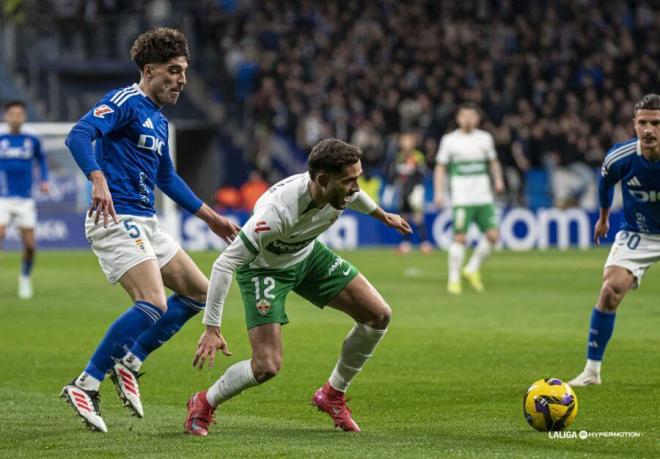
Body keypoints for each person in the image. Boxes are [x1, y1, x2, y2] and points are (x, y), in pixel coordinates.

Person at [59, 27, 240, 433]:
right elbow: (79, 134)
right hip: (116, 217)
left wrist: (210, 217)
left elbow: (168, 178)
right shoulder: (125, 101)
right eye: (173, 71)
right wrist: (97, 178)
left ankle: (131, 361)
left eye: (185, 73)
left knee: (199, 292)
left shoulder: (158, 121)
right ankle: (85, 384)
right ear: (149, 70)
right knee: (154, 303)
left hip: (145, 220)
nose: (181, 80)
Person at [183, 138, 412, 436]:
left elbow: (356, 197)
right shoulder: (276, 214)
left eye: (357, 178)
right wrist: (212, 327)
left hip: (307, 255)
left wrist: (382, 215)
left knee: (378, 315)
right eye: (349, 181)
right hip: (264, 270)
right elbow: (224, 264)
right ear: (322, 180)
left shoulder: (338, 189)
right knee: (266, 366)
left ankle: (332, 394)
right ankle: (203, 402)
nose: (356, 187)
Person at [569, 94, 660, 387]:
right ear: (634, 124)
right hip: (639, 233)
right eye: (643, 122)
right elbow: (605, 183)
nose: (649, 130)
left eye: (656, 123)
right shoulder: (620, 157)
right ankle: (592, 372)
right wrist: (604, 217)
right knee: (610, 290)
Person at [433, 102, 504, 294]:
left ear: (477, 119)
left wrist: (498, 180)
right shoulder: (449, 140)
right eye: (464, 116)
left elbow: (493, 162)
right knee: (460, 237)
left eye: (472, 116)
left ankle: (472, 269)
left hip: (483, 197)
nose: (468, 119)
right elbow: (440, 168)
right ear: (458, 118)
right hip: (462, 198)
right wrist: (438, 192)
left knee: (493, 235)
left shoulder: (485, 138)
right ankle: (453, 279)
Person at [0, 101, 49, 299]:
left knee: (29, 245)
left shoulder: (32, 139)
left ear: (24, 116)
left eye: (20, 114)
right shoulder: (1, 138)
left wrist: (44, 179)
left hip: (25, 199)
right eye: (12, 114)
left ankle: (25, 278)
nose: (16, 117)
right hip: (2, 197)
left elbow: (42, 159)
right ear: (6, 116)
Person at [390, 132, 432, 254]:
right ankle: (405, 244)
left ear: (413, 143)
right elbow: (394, 173)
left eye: (408, 140)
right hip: (403, 190)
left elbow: (422, 173)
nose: (405, 143)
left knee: (418, 216)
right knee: (404, 217)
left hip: (415, 189)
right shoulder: (398, 157)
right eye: (403, 140)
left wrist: (412, 170)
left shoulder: (418, 156)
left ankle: (424, 243)